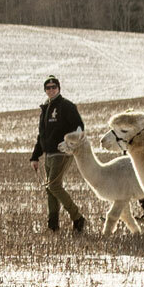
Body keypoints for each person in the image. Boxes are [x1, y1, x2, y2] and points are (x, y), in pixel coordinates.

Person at [27, 75, 86, 233]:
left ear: (59, 88)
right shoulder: (46, 108)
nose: (51, 90)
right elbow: (42, 135)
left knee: (53, 185)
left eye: (54, 87)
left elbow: (79, 128)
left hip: (62, 153)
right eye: (48, 87)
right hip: (49, 154)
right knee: (50, 188)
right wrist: (35, 156)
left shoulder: (66, 106)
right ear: (45, 90)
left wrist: (69, 145)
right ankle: (53, 224)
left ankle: (78, 218)